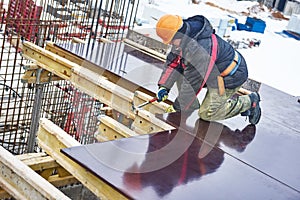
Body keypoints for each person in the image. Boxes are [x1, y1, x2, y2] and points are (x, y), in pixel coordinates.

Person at [155, 14, 261, 125]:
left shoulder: (199, 50)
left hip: (229, 75)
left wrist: (177, 108)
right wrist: (164, 87)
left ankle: (249, 102)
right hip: (212, 71)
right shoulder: (183, 38)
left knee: (207, 113)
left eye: (171, 41)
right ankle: (191, 104)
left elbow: (192, 84)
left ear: (178, 35)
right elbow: (172, 63)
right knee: (180, 72)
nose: (170, 44)